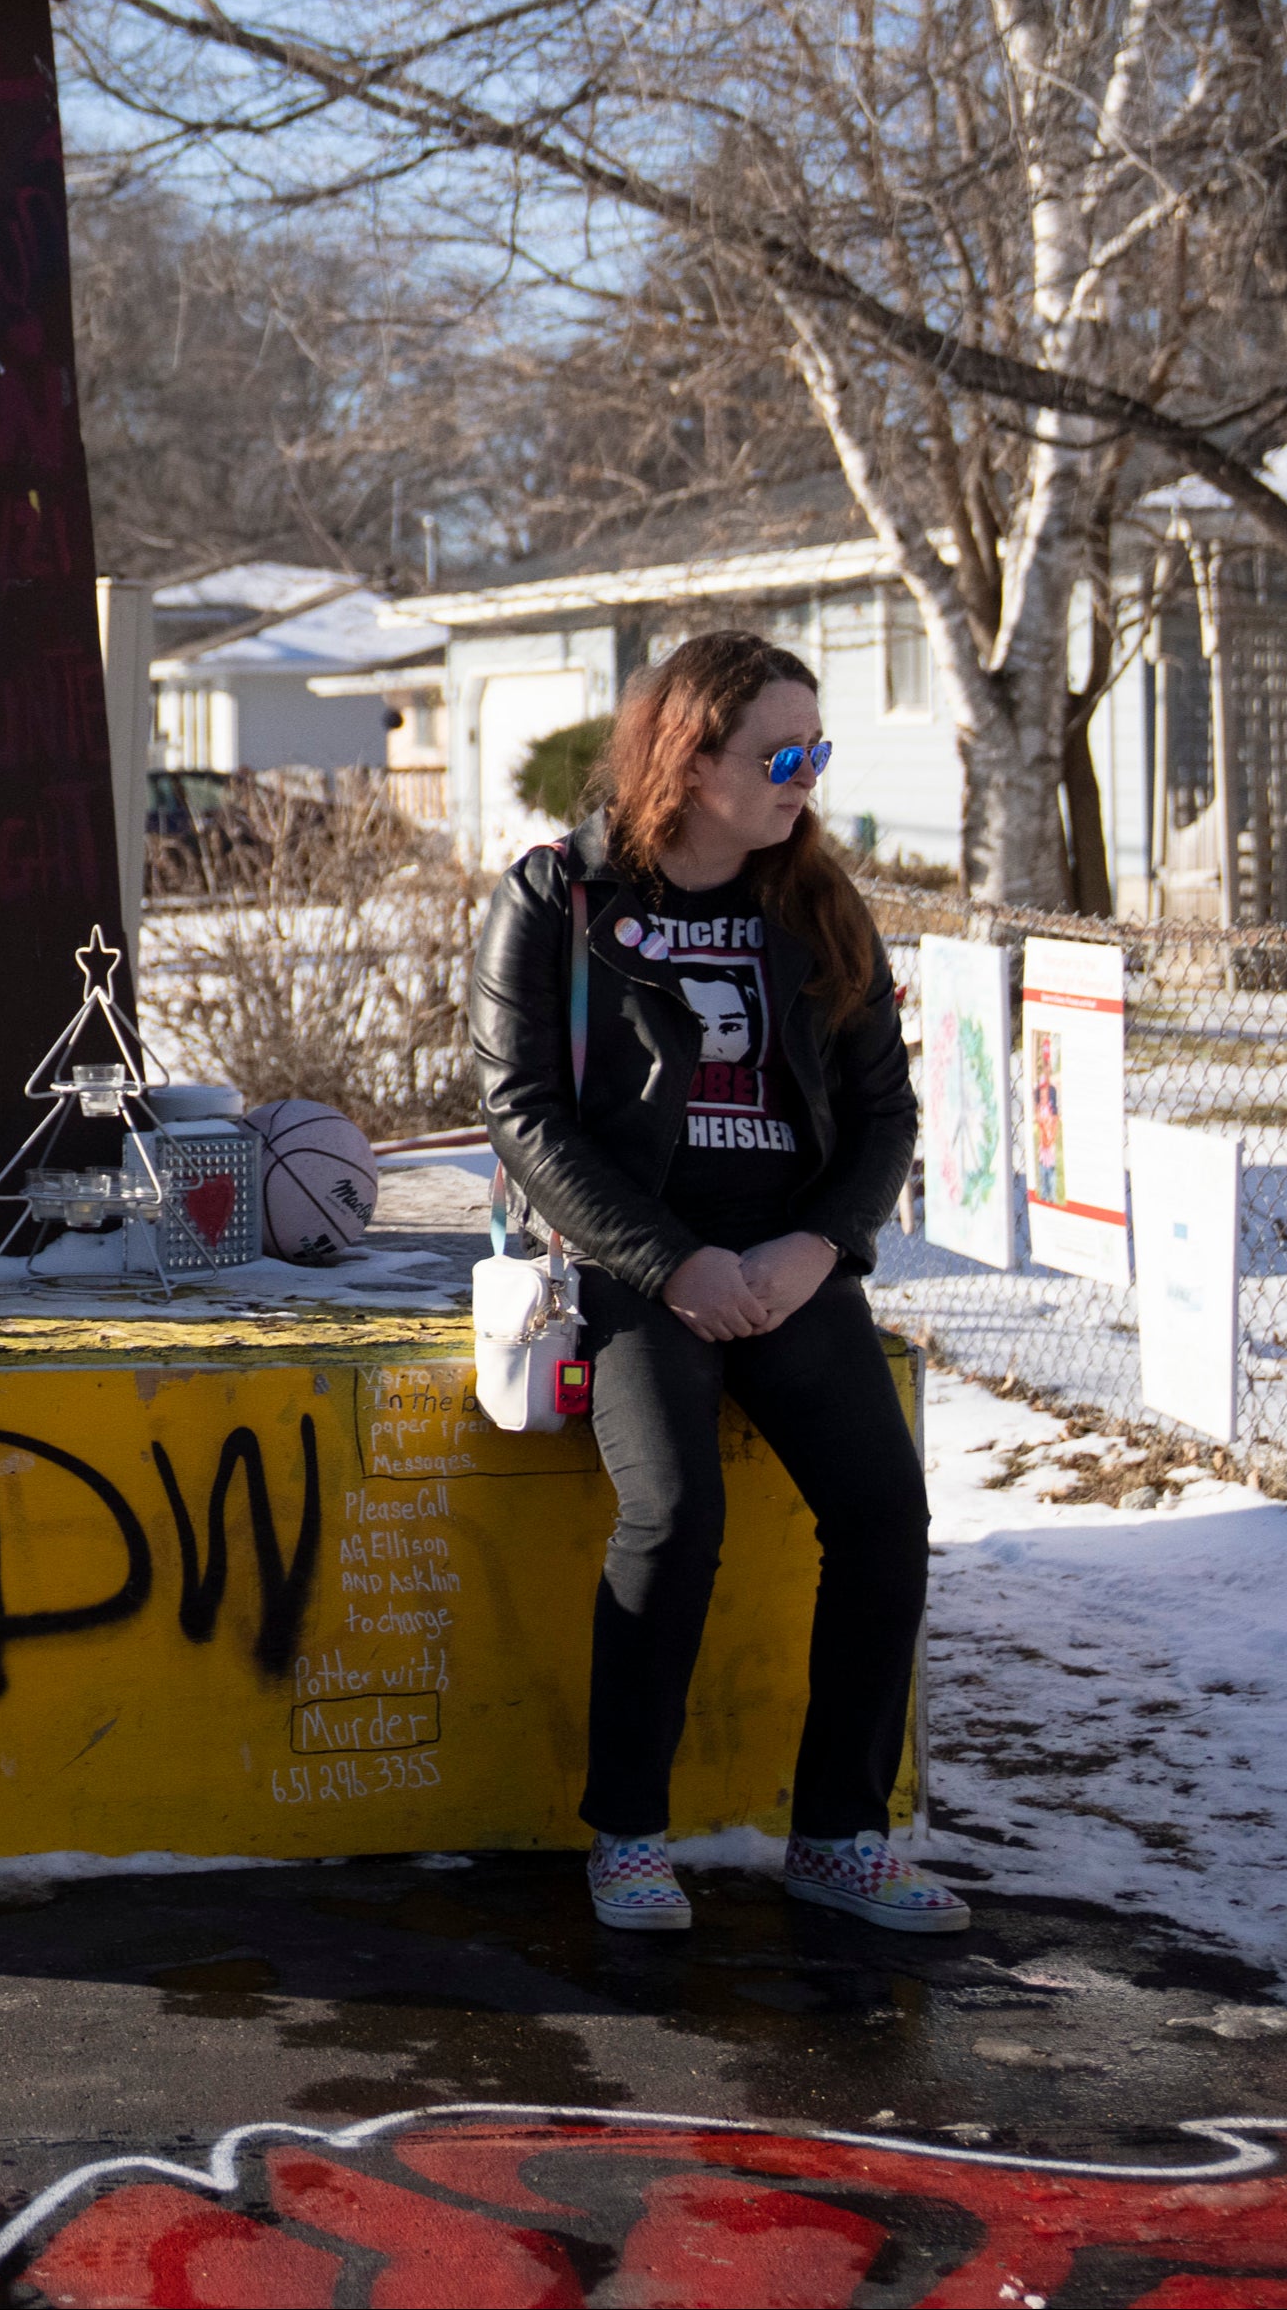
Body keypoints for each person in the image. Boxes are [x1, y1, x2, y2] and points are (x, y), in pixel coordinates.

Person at [471, 629, 949, 1936]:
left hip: (788, 1264)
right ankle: (627, 1832)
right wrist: (670, 1259)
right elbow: (520, 1109)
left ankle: (839, 1836)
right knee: (674, 1515)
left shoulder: (817, 906)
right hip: (638, 1266)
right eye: (781, 752)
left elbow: (884, 1114)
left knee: (881, 1512)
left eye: (817, 749)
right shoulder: (553, 895)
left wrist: (815, 1248)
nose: (805, 776)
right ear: (690, 755)